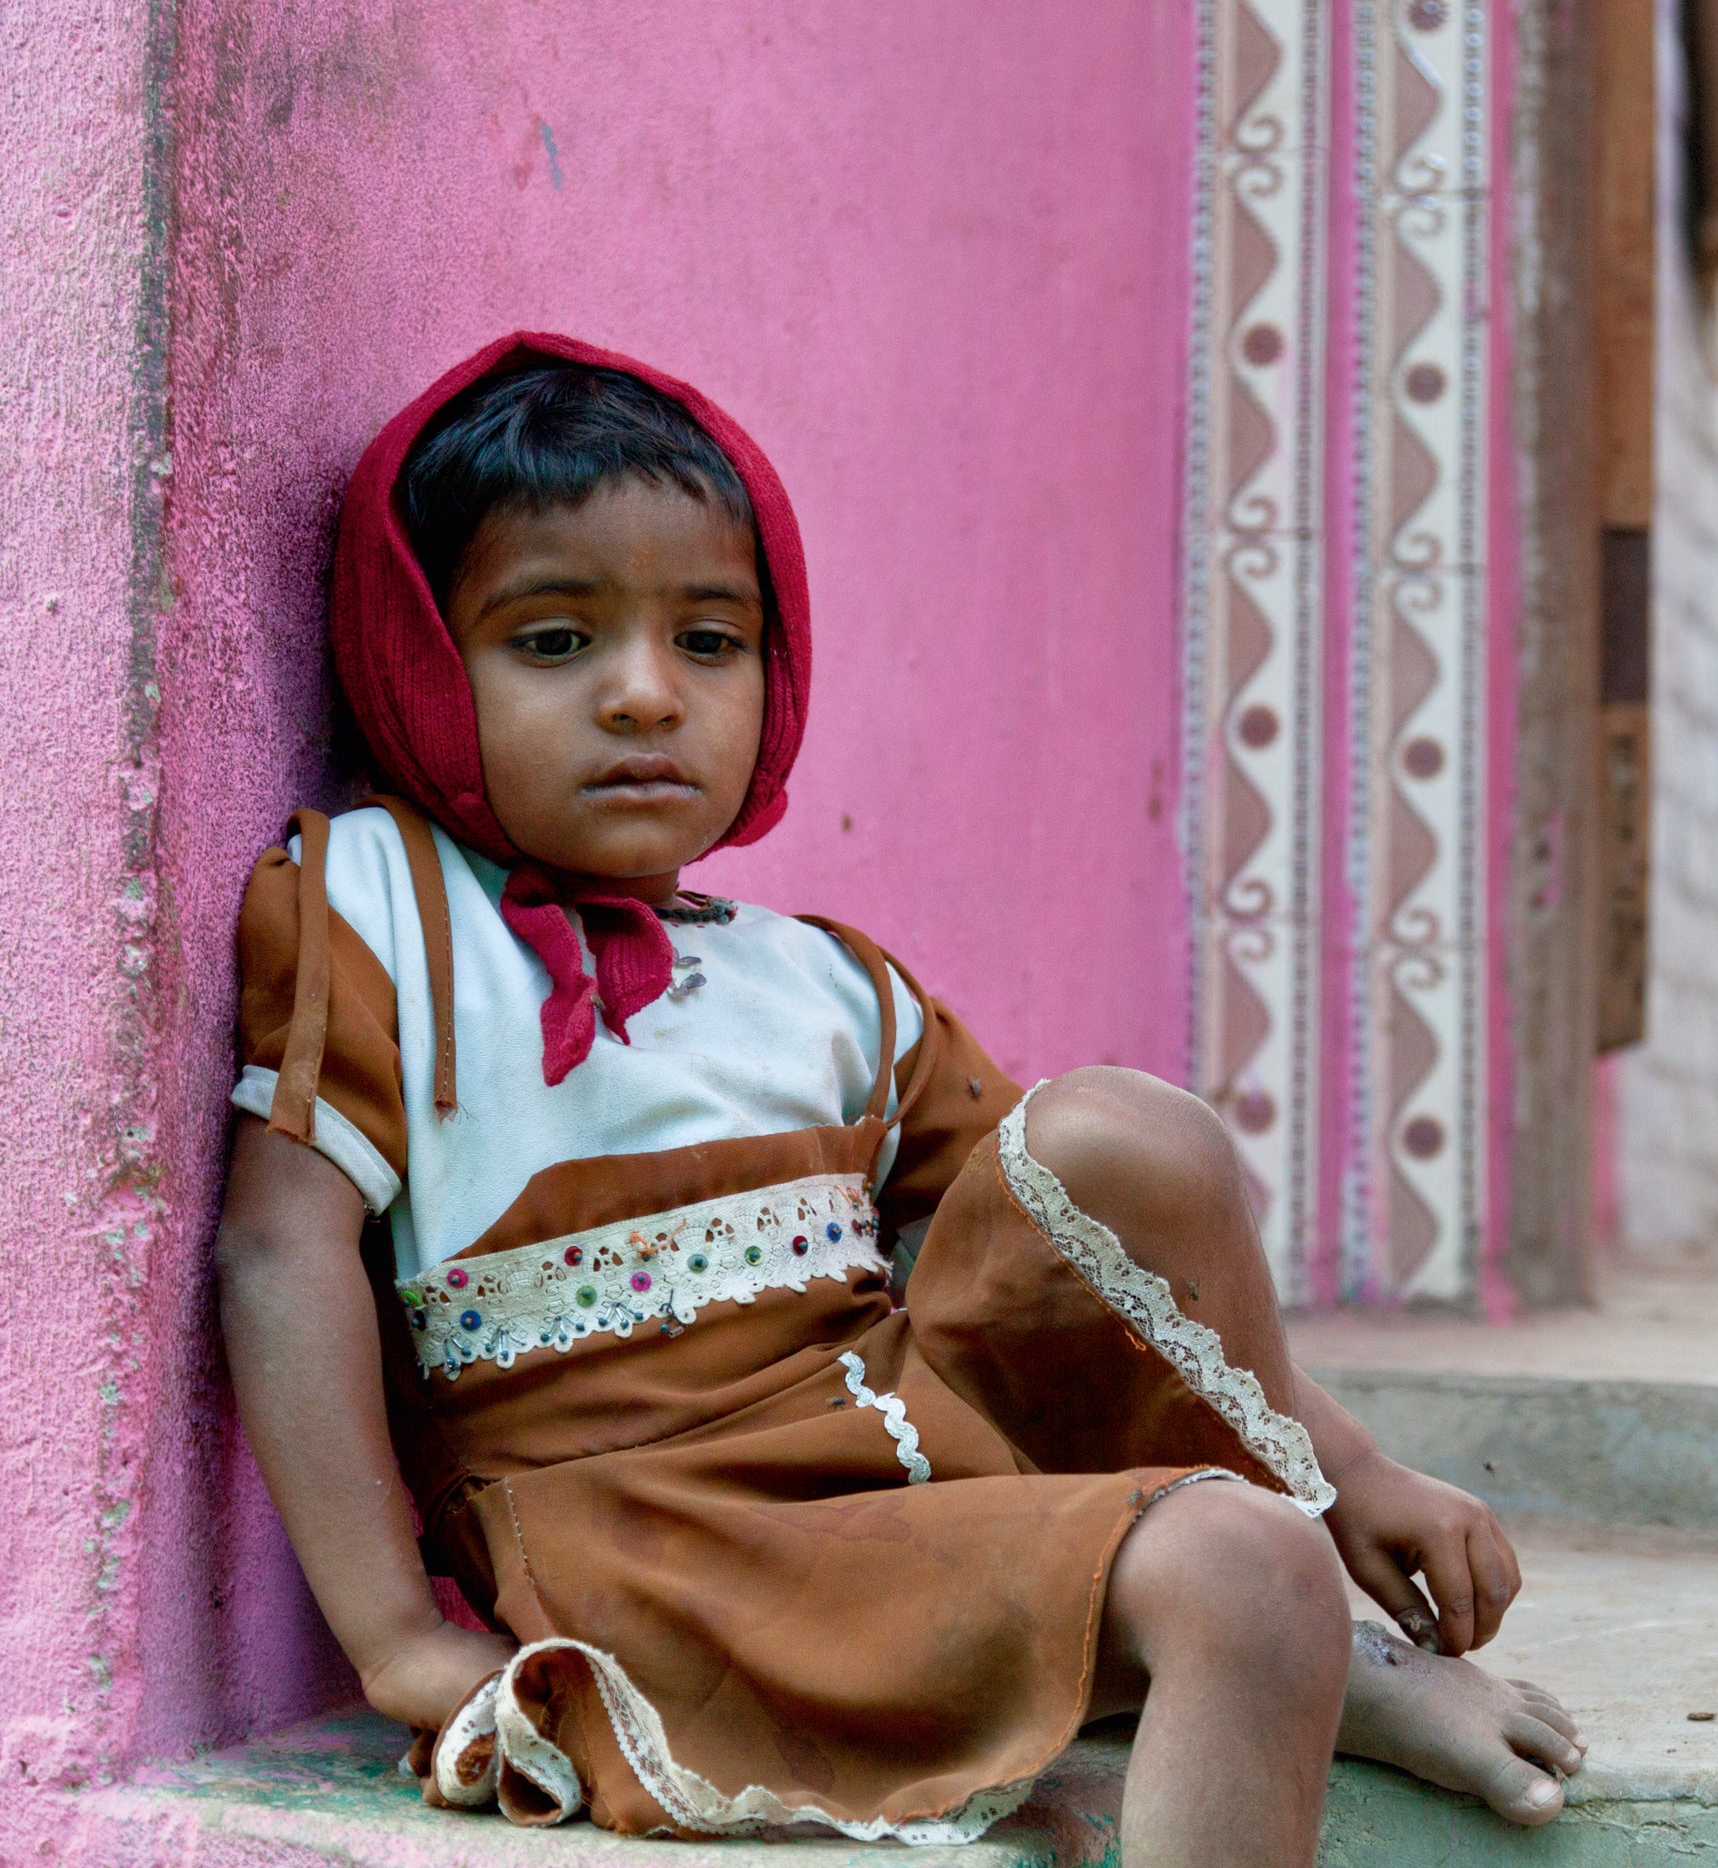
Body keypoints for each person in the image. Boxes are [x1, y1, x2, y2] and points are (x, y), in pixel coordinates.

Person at [214, 335, 1583, 1862]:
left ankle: (1333, 1649)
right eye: (553, 643)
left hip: (918, 1482)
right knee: (1205, 1523)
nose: (644, 698)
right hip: (672, 1548)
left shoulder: (828, 984)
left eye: (712, 643)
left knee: (1134, 1189)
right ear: (417, 667)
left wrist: (1349, 1477)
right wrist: (396, 1632)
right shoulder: (378, 907)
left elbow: (1110, 1272)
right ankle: (1269, 1656)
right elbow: (281, 1255)